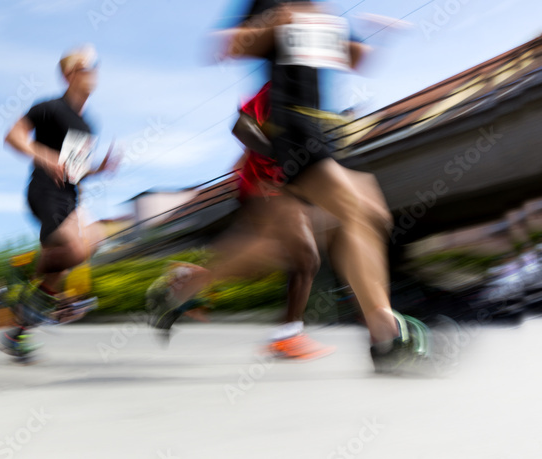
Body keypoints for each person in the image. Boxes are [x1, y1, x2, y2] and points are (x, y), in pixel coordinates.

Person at [151, 0, 431, 374]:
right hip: (291, 137)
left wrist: (374, 36)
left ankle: (184, 285)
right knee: (349, 218)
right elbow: (226, 46)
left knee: (287, 245)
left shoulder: (320, 11)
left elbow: (354, 58)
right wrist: (277, 22)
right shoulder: (271, 5)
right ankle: (382, 331)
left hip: (318, 131)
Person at [148, 83, 333, 360]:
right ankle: (288, 335)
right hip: (265, 186)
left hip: (279, 187)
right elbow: (241, 127)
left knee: (265, 260)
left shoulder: (308, 92)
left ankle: (186, 281)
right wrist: (276, 161)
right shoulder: (280, 84)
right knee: (305, 257)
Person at [1, 45, 117, 362]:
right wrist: (46, 156)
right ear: (69, 75)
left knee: (93, 240)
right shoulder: (48, 108)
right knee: (74, 251)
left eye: (96, 67)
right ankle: (25, 283)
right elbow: (12, 136)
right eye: (88, 67)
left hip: (70, 195)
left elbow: (75, 172)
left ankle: (17, 333)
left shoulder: (87, 124)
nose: (94, 73)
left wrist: (99, 170)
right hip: (44, 190)